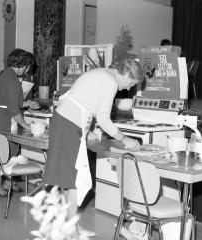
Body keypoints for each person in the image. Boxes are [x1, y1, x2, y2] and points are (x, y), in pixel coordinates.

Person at [43, 58, 144, 237]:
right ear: (127, 74)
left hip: (65, 122)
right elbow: (104, 119)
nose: (129, 88)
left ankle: (71, 224)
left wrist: (86, 131)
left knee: (70, 178)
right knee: (73, 179)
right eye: (131, 83)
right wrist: (125, 139)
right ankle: (71, 230)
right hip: (68, 125)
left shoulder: (102, 73)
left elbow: (86, 102)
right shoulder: (111, 81)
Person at [0, 48, 38, 196]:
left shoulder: (7, 75)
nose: (28, 70)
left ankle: (3, 182)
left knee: (3, 153)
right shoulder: (11, 79)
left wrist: (27, 103)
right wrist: (26, 125)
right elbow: (13, 109)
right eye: (28, 67)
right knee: (2, 153)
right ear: (22, 65)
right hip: (2, 119)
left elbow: (10, 100)